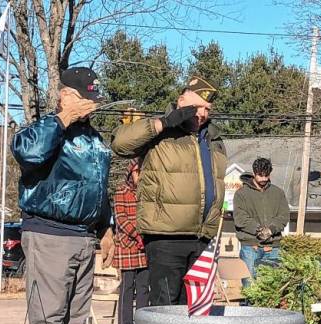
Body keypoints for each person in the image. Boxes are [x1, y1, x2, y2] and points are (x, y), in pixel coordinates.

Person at [11, 66, 112, 324]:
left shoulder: (94, 138)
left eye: (94, 99)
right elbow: (28, 153)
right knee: (49, 315)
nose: (91, 106)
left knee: (75, 318)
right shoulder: (45, 129)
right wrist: (64, 117)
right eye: (85, 98)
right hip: (49, 232)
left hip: (84, 237)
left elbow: (99, 186)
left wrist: (106, 228)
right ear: (66, 94)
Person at [110, 76, 227, 306]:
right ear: (181, 101)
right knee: (165, 310)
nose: (201, 114)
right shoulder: (159, 131)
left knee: (197, 310)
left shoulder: (214, 139)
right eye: (195, 107)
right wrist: (163, 123)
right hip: (166, 236)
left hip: (203, 237)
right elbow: (120, 143)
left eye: (207, 109)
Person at [232, 157, 289, 286]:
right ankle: (249, 307)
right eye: (260, 175)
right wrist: (258, 229)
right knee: (250, 286)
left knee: (273, 286)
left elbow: (283, 216)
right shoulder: (241, 194)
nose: (263, 179)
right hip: (250, 247)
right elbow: (240, 218)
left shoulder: (278, 193)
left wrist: (271, 230)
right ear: (254, 173)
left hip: (273, 247)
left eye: (266, 175)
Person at [112, 158, 149, 324]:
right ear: (130, 173)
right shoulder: (121, 191)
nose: (139, 176)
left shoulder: (147, 192)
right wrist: (137, 234)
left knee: (143, 287)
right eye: (136, 172)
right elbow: (121, 218)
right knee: (127, 286)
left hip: (144, 246)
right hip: (128, 245)